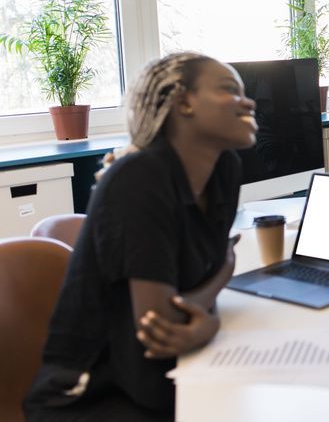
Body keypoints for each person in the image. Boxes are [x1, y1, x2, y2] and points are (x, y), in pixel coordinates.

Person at [25, 53, 258, 421]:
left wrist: (208, 293)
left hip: (169, 373)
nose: (249, 103)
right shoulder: (139, 176)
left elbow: (197, 289)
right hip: (93, 395)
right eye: (231, 90)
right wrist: (209, 313)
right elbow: (160, 327)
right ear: (183, 102)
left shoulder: (224, 168)